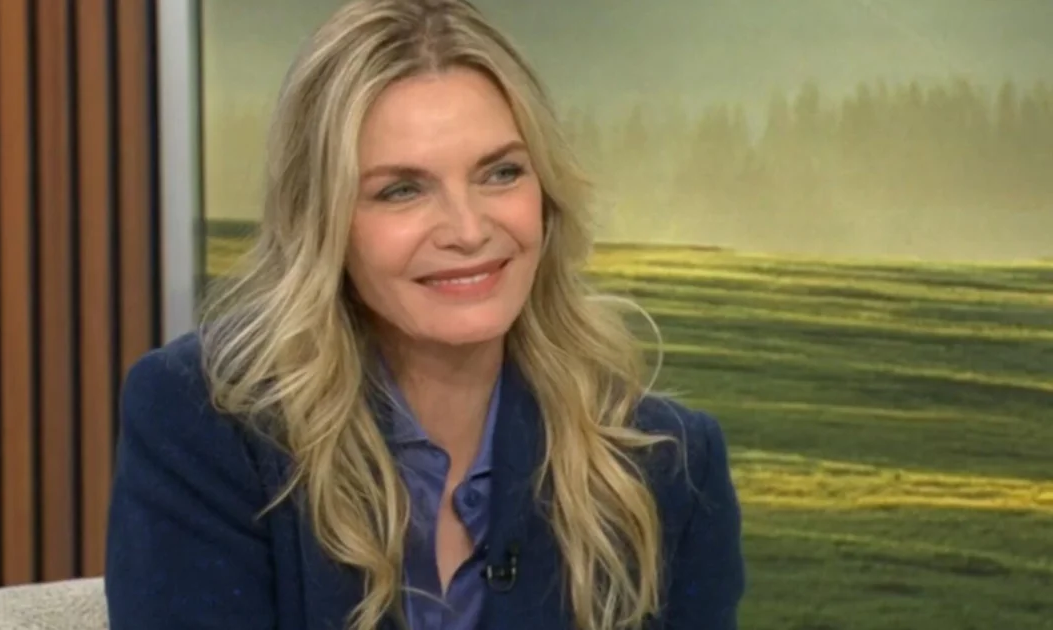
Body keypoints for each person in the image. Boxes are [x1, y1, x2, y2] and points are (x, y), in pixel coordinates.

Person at [103, 0, 744, 628]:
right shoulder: (208, 424)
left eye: (501, 173)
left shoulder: (666, 466)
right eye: (402, 190)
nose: (468, 230)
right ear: (322, 222)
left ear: (546, 196)